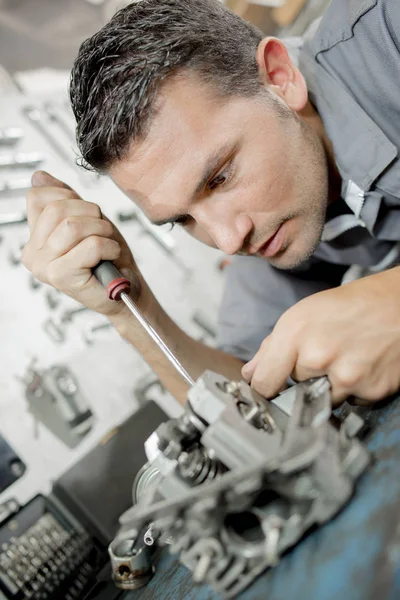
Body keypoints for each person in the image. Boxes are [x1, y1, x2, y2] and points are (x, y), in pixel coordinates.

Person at [22, 0, 400, 406]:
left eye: (220, 178)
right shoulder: (268, 222)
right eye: (182, 218)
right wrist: (131, 311)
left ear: (279, 77)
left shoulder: (388, 33)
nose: (228, 240)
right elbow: (246, 400)